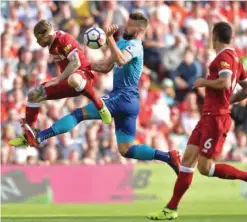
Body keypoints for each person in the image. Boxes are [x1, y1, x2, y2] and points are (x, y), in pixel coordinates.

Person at [9, 12, 180, 174]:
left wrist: (110, 39)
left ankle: (40, 136)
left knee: (78, 114)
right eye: (126, 24)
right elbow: (105, 67)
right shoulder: (121, 44)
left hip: (123, 96)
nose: (125, 27)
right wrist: (85, 65)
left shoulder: (135, 46)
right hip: (129, 100)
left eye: (130, 26)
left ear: (140, 30)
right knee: (125, 149)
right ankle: (168, 157)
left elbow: (121, 59)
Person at [148, 21, 247, 220]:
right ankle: (171, 209)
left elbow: (226, 82)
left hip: (216, 119)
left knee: (205, 168)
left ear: (214, 35)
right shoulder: (235, 56)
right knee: (187, 161)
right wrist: (230, 101)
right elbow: (245, 87)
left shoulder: (225, 56)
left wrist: (204, 82)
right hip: (208, 117)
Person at [12, 19, 112, 141]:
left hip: (83, 75)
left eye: (40, 39)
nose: (38, 42)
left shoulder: (63, 39)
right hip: (67, 78)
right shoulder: (51, 43)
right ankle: (30, 134)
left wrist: (57, 79)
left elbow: (75, 63)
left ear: (47, 35)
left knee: (74, 79)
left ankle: (99, 104)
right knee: (34, 94)